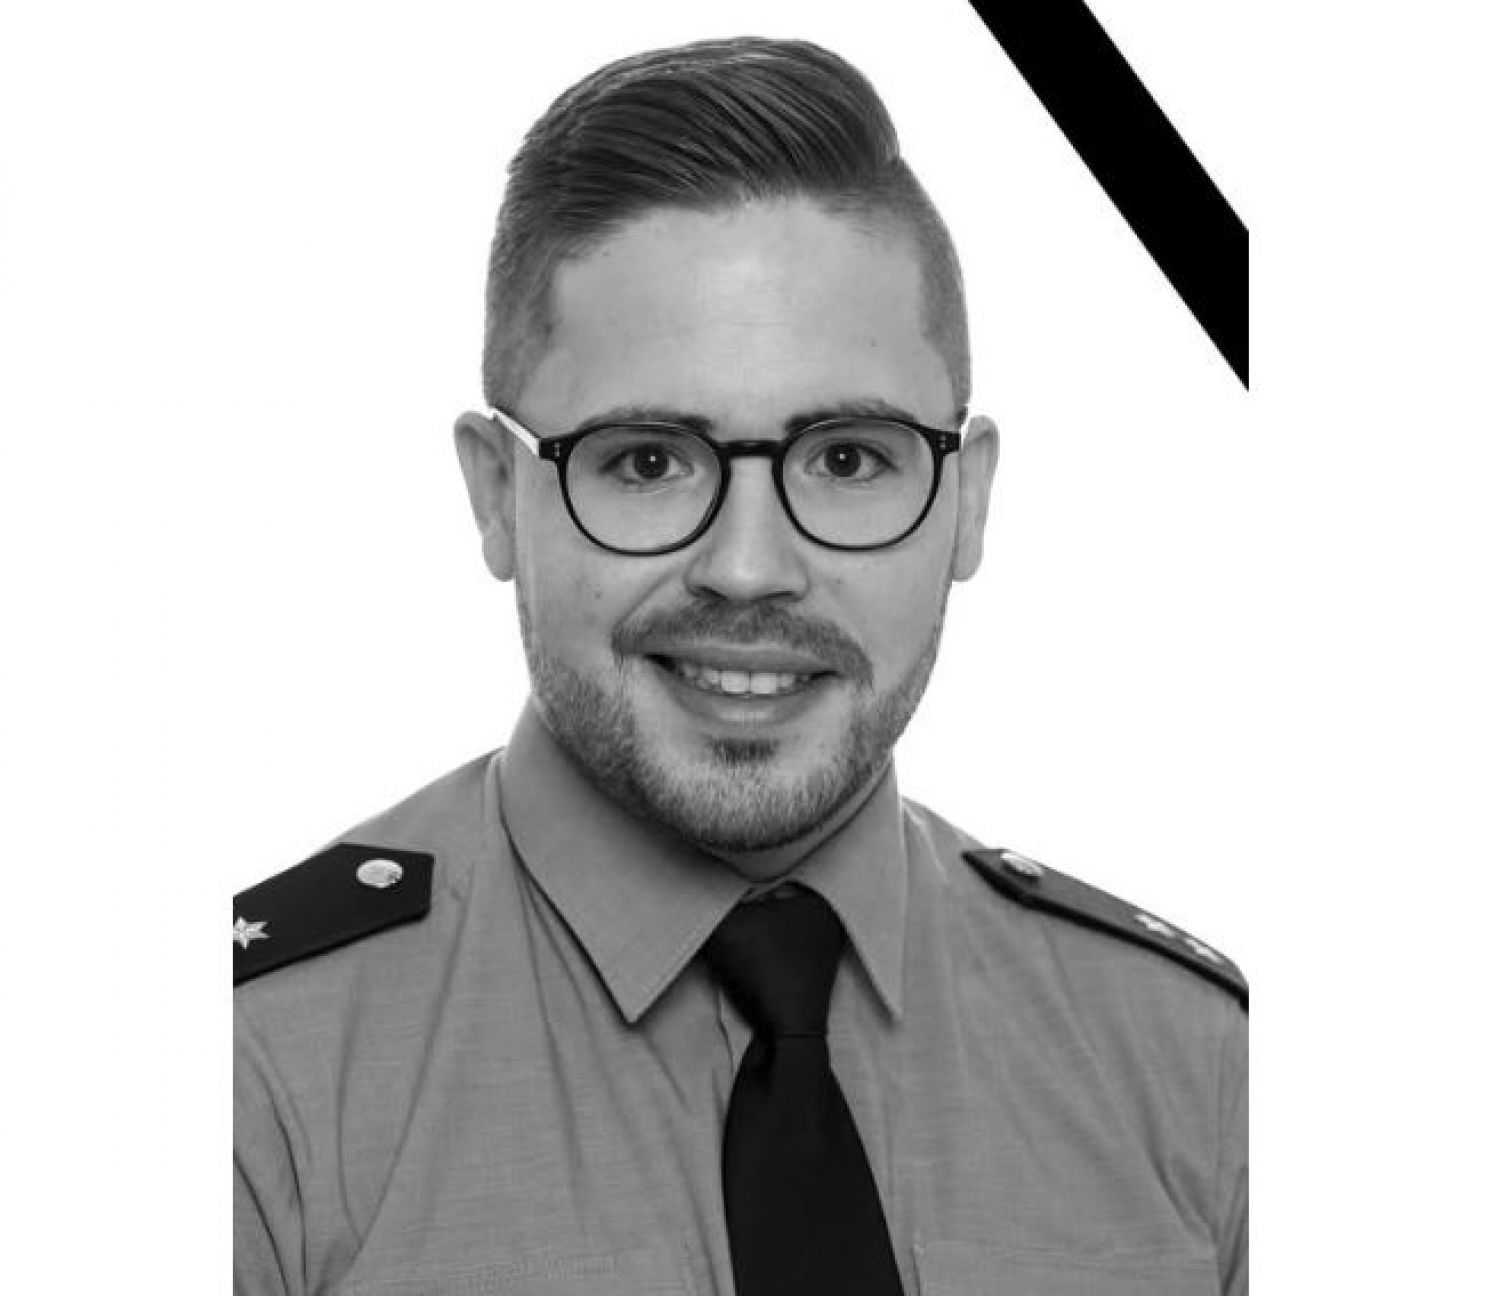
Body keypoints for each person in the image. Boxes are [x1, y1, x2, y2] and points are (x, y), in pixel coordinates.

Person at [234, 35, 1247, 1296]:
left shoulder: (1204, 1073)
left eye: (848, 459)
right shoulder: (244, 1083)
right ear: (497, 496)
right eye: (649, 461)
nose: (751, 569)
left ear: (968, 502)